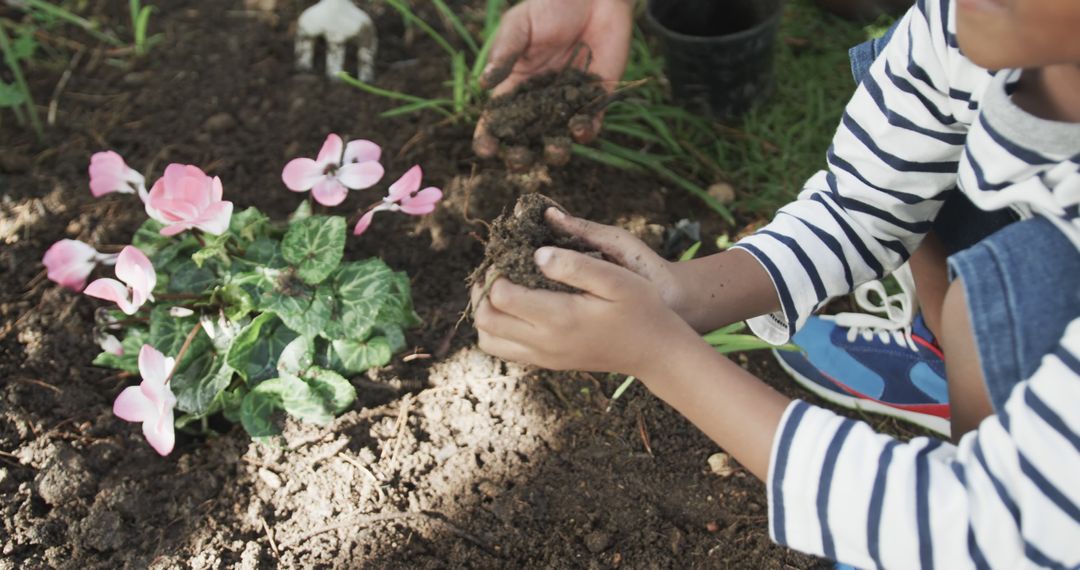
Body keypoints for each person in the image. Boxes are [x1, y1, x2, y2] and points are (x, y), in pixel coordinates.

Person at [471, 0, 1080, 566]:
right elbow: (863, 204)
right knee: (961, 238)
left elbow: (988, 522)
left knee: (1003, 301)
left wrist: (660, 355)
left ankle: (997, 408)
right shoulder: (967, 22)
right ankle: (956, 371)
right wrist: (680, 294)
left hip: (1023, 519)